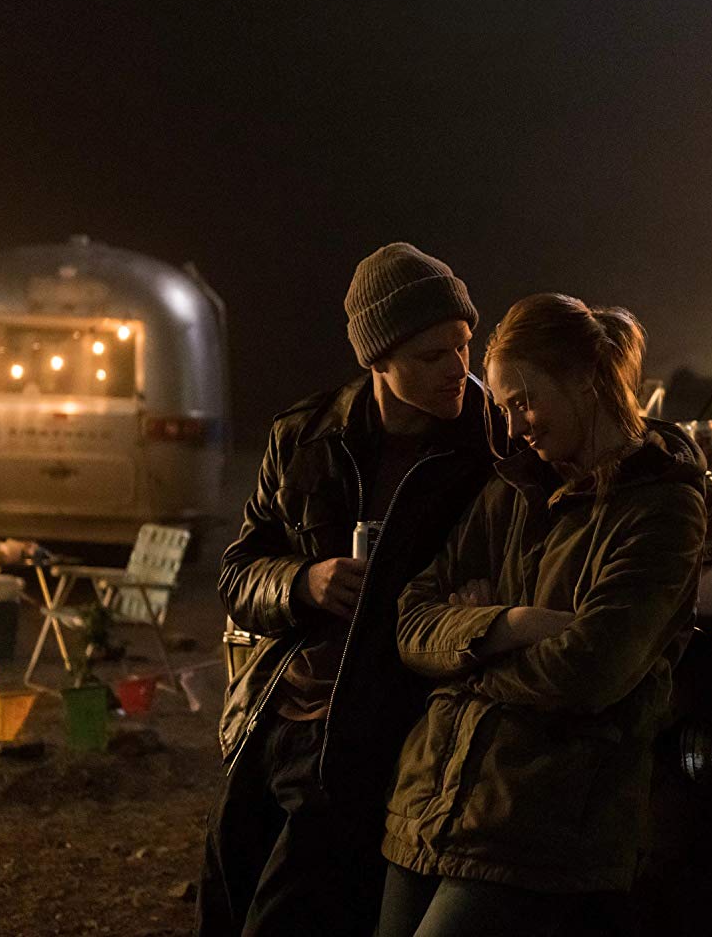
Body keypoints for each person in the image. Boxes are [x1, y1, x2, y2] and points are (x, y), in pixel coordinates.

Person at [375, 293, 709, 937]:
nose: (513, 428)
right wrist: (513, 625)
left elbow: (589, 671)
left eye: (524, 402)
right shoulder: (510, 491)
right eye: (503, 408)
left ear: (584, 379)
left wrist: (462, 656)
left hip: (539, 824)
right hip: (430, 802)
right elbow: (409, 621)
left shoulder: (660, 509)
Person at [198, 243, 500, 937]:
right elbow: (238, 574)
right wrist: (302, 582)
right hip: (277, 711)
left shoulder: (490, 445)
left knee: (292, 912)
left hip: (379, 727)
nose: (458, 368)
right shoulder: (307, 436)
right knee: (226, 895)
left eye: (464, 344)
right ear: (378, 360)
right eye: (432, 354)